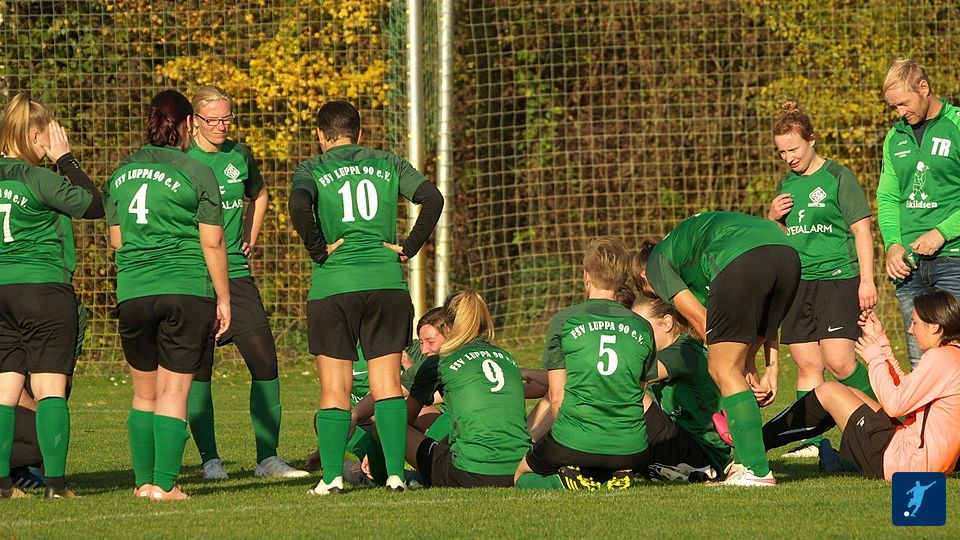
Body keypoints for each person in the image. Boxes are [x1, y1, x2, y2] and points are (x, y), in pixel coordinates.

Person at [289, 100, 443, 495]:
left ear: (321, 135)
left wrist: (318, 249)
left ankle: (331, 479)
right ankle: (394, 476)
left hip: (334, 286)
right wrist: (409, 246)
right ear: (359, 134)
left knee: (334, 388)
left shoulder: (312, 167)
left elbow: (298, 205)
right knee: (387, 383)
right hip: (386, 284)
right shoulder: (388, 162)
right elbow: (432, 198)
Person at [104, 89, 231, 500]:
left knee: (144, 393)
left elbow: (118, 240)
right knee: (174, 391)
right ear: (188, 124)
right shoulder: (197, 171)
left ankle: (143, 483)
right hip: (183, 290)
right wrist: (224, 298)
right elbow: (213, 242)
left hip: (133, 292)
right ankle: (165, 484)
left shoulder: (120, 173)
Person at [183, 86, 305, 480]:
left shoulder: (240, 155)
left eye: (227, 118)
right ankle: (210, 460)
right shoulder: (182, 160)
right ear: (194, 121)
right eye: (213, 120)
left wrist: (249, 235)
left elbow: (261, 195)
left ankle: (267, 458)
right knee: (198, 371)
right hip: (194, 277)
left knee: (265, 362)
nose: (222, 126)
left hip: (236, 273)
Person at [632, 211, 800, 486]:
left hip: (737, 258)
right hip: (786, 253)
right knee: (734, 368)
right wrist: (769, 367)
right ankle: (744, 463)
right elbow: (762, 324)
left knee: (722, 368)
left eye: (654, 294)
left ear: (644, 276)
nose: (662, 299)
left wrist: (725, 369)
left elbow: (702, 321)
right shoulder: (687, 255)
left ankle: (756, 471)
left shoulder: (656, 266)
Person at [0, 93, 104, 499]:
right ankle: (57, 486)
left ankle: (4, 485)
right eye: (49, 133)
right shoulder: (38, 178)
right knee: (50, 388)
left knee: (4, 391)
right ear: (34, 135)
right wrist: (65, 159)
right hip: (42, 289)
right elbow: (93, 204)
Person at [767, 101, 877, 458]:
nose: (789, 158)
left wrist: (867, 281)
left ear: (811, 140)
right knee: (807, 365)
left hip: (837, 279)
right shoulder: (786, 184)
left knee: (840, 362)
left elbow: (861, 231)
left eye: (794, 149)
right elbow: (782, 240)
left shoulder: (838, 177)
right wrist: (773, 218)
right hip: (798, 285)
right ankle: (813, 443)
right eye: (782, 152)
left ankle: (885, 417)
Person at [762, 290, 960, 480]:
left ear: (934, 327)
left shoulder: (939, 358)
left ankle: (757, 443)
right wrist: (881, 342)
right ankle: (840, 459)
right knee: (850, 393)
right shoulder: (952, 356)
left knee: (828, 391)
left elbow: (895, 404)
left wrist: (875, 358)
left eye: (915, 323)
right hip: (918, 457)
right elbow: (903, 387)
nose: (910, 329)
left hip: (904, 464)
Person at [515, 237, 658, 490]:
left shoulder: (565, 321)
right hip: (632, 449)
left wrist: (570, 441)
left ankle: (565, 481)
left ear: (586, 275)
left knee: (521, 475)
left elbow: (556, 398)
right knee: (596, 459)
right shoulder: (643, 327)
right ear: (622, 279)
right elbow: (638, 393)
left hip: (575, 440)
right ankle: (613, 475)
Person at [878, 58, 960, 369]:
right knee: (919, 359)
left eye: (904, 103)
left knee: (955, 354)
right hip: (908, 266)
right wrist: (893, 245)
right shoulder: (894, 137)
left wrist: (942, 232)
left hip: (953, 259)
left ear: (923, 88)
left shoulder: (956, 125)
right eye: (894, 106)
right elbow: (887, 197)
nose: (900, 113)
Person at [406, 290, 530, 488]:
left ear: (447, 327)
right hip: (520, 470)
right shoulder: (508, 358)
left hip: (470, 472)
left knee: (388, 423)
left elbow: (403, 419)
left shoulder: (441, 361)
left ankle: (379, 475)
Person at [631, 295, 729, 482]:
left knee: (628, 391)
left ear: (667, 323)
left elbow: (628, 377)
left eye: (642, 328)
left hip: (703, 453)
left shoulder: (683, 351)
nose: (636, 336)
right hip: (683, 443)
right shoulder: (677, 349)